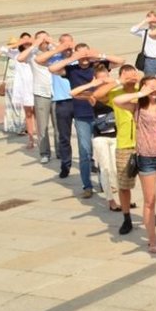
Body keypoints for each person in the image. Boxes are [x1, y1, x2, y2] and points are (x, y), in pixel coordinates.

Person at [112, 79, 156, 254]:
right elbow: (117, 101)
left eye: (155, 85)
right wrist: (141, 93)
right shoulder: (137, 106)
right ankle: (152, 240)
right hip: (146, 159)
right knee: (149, 200)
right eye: (149, 86)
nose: (153, 89)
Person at [49, 44, 125, 198]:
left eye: (85, 53)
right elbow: (52, 69)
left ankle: (106, 183)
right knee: (85, 152)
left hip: (102, 115)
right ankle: (87, 185)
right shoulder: (72, 69)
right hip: (81, 114)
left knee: (105, 152)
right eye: (80, 54)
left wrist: (99, 54)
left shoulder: (98, 65)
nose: (84, 57)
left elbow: (121, 61)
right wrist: (73, 58)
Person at [93, 64, 141, 234]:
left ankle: (151, 214)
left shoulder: (142, 89)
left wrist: (141, 82)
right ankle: (127, 217)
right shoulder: (116, 93)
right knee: (124, 185)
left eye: (133, 72)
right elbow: (97, 95)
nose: (131, 76)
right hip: (124, 144)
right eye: (126, 74)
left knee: (150, 185)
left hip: (144, 144)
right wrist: (117, 82)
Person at [70, 66, 120, 210]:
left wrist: (113, 81)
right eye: (100, 79)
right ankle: (111, 200)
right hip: (101, 136)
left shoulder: (115, 92)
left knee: (116, 169)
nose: (103, 82)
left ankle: (121, 197)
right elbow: (73, 93)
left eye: (105, 78)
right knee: (105, 167)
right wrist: (92, 84)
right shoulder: (93, 95)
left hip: (116, 135)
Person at [35, 34, 76, 178]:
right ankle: (65, 165)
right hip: (62, 101)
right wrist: (57, 49)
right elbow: (39, 59)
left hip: (79, 100)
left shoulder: (79, 56)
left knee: (86, 135)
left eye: (69, 43)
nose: (67, 46)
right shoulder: (55, 58)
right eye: (64, 43)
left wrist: (73, 51)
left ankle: (90, 162)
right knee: (63, 137)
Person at [18, 31, 58, 164]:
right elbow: (20, 58)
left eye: (45, 39)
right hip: (41, 93)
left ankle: (60, 151)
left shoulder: (55, 50)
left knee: (59, 125)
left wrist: (51, 41)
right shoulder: (33, 53)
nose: (43, 42)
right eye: (41, 40)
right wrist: (34, 44)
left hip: (57, 92)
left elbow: (70, 50)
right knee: (42, 126)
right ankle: (44, 152)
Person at [0, 34, 35, 144]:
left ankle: (38, 133)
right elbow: (2, 49)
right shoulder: (16, 54)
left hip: (35, 85)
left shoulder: (35, 51)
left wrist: (34, 42)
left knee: (36, 112)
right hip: (20, 87)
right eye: (24, 42)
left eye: (28, 41)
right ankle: (30, 138)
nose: (26, 43)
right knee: (26, 112)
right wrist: (17, 44)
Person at [130, 11, 156, 78]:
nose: (153, 20)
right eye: (150, 18)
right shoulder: (144, 31)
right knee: (149, 81)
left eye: (155, 18)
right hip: (149, 61)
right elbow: (132, 30)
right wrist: (144, 21)